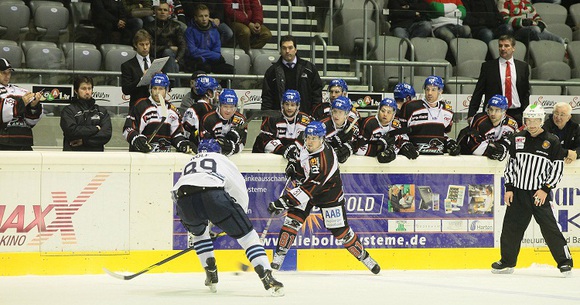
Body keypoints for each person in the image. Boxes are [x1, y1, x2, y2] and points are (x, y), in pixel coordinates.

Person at [172, 138, 284, 296]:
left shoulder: (190, 162)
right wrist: (240, 218)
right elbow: (237, 188)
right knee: (248, 237)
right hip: (212, 196)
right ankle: (267, 276)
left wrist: (197, 226)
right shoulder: (222, 159)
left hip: (183, 201)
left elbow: (181, 193)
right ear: (218, 151)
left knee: (199, 235)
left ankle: (210, 272)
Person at [267, 121, 380, 274]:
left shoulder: (323, 161)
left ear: (322, 139)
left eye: (314, 138)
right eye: (308, 137)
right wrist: (294, 164)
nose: (309, 141)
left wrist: (282, 202)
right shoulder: (307, 143)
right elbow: (298, 154)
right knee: (292, 221)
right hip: (308, 187)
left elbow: (308, 190)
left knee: (341, 232)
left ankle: (365, 257)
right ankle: (278, 258)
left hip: (328, 195)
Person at [492, 103, 573, 277]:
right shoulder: (517, 138)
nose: (533, 124)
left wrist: (545, 189)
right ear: (525, 120)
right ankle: (507, 262)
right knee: (510, 229)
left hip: (539, 195)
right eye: (529, 119)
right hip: (518, 193)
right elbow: (511, 166)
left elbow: (557, 169)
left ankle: (565, 262)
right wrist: (509, 188)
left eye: (536, 119)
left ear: (542, 120)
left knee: (550, 229)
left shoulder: (552, 141)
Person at [123, 73, 194, 153]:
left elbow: (176, 134)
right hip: (142, 156)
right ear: (150, 89)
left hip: (163, 157)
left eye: (161, 89)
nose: (157, 92)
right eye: (154, 88)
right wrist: (136, 139)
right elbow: (128, 129)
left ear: (166, 90)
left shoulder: (172, 110)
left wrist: (182, 143)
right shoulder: (141, 106)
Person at [468, 35, 531, 125]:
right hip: (494, 114)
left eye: (506, 46)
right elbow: (478, 91)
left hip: (516, 113)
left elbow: (525, 93)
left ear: (513, 48)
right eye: (500, 46)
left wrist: (526, 113)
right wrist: (471, 114)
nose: (502, 48)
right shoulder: (488, 67)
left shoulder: (523, 67)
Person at [398, 75, 460, 155]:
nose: (429, 93)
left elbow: (442, 133)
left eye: (433, 90)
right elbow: (400, 131)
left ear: (440, 91)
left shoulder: (447, 112)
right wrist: (404, 144)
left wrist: (449, 142)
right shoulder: (411, 107)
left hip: (437, 159)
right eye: (427, 89)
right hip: (415, 157)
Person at [261, 35, 323, 115]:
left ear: (296, 49)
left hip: (305, 118)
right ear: (280, 50)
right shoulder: (272, 72)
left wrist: (315, 115)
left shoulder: (309, 69)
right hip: (279, 120)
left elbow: (317, 95)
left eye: (290, 48)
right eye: (284, 48)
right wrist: (267, 120)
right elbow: (267, 99)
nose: (287, 51)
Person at [356, 97, 419, 163]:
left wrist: (405, 146)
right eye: (383, 111)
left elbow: (400, 141)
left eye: (389, 112)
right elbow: (358, 148)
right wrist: (380, 148)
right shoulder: (369, 123)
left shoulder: (396, 124)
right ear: (378, 110)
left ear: (393, 114)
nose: (385, 114)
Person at [0, 58, 43, 151]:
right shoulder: (23, 95)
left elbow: (31, 122)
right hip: (3, 143)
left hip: (24, 142)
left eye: (9, 72)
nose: (7, 76)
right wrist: (21, 103)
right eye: (4, 72)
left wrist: (33, 106)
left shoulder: (21, 91)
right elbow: (2, 113)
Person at [60, 76, 112, 151]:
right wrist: (96, 128)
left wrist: (84, 141)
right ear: (76, 91)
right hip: (73, 156)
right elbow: (72, 131)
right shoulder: (68, 111)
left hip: (96, 157)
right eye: (83, 89)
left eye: (89, 88)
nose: (87, 92)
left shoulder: (101, 111)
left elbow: (106, 135)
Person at [252, 89, 313, 154]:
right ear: (282, 104)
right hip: (274, 157)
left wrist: (295, 151)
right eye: (287, 104)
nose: (289, 108)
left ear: (297, 106)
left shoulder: (306, 120)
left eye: (292, 105)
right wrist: (283, 150)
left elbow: (310, 140)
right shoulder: (272, 118)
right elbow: (264, 140)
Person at [460, 94, 518, 160]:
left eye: (497, 110)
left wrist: (499, 149)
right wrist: (494, 150)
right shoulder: (479, 120)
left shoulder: (511, 124)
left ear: (504, 111)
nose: (493, 113)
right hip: (470, 157)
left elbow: (510, 149)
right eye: (491, 109)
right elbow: (474, 148)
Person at [183, 4, 235, 76]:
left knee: (230, 70)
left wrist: (212, 57)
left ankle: (221, 87)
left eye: (206, 16)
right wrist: (210, 57)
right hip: (196, 61)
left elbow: (217, 52)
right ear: (195, 18)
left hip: (211, 61)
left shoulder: (214, 31)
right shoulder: (189, 31)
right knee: (205, 67)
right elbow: (193, 52)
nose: (204, 19)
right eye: (201, 16)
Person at [143, 1, 187, 79]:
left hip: (173, 58)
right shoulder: (149, 27)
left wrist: (177, 59)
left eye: (165, 10)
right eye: (160, 10)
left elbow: (182, 45)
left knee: (174, 63)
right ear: (155, 11)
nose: (162, 12)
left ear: (169, 12)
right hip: (155, 58)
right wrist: (168, 47)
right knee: (168, 53)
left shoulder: (176, 26)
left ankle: (171, 83)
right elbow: (150, 47)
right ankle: (172, 84)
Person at [199, 88, 247, 156]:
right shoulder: (208, 119)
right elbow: (204, 144)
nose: (228, 110)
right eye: (225, 106)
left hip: (233, 157)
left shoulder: (241, 120)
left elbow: (242, 144)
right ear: (219, 105)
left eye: (231, 107)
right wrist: (220, 146)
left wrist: (232, 148)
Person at [498, 0, 565, 45]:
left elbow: (534, 15)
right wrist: (522, 22)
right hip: (517, 30)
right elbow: (505, 19)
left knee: (560, 40)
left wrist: (540, 22)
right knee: (535, 29)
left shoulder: (526, 2)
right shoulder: (504, 2)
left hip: (533, 26)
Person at [320, 96, 360, 163]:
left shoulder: (353, 126)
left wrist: (348, 148)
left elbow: (356, 144)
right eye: (335, 111)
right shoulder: (322, 126)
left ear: (347, 115)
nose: (336, 115)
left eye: (340, 112)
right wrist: (332, 145)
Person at [182, 76, 221, 146]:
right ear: (209, 93)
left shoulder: (191, 108)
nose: (217, 94)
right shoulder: (208, 110)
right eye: (215, 90)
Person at [121, 29, 155, 109]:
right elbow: (126, 90)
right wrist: (142, 79)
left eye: (147, 44)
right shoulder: (127, 65)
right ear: (135, 45)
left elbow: (169, 87)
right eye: (141, 44)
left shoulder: (156, 62)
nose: (145, 47)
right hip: (137, 107)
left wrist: (162, 77)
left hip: (155, 107)